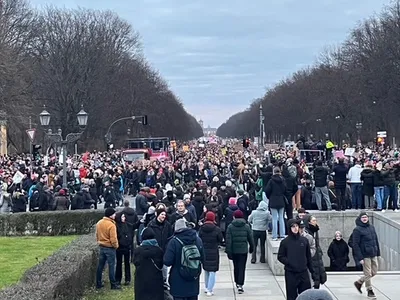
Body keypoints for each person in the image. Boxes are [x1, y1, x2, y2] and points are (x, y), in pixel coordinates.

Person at [164, 218, 204, 300]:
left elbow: (167, 261)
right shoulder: (197, 240)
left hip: (178, 281)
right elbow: (203, 257)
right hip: (193, 279)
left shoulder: (174, 242)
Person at [278, 219, 314, 300]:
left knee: (306, 295)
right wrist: (289, 262)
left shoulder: (304, 240)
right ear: (289, 228)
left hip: (303, 272)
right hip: (291, 273)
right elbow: (280, 256)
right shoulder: (285, 242)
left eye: (297, 226)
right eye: (293, 227)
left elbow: (308, 257)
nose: (295, 228)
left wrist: (312, 271)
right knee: (291, 296)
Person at [225, 210, 254, 294]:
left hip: (234, 250)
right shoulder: (246, 226)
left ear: (234, 216)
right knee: (242, 267)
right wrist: (252, 247)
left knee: (236, 267)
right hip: (243, 250)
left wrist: (228, 251)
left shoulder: (230, 226)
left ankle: (237, 281)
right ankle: (240, 284)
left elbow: (228, 240)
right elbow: (250, 238)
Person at [352, 211, 380, 299]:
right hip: (365, 254)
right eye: (363, 217)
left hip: (373, 253)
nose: (364, 219)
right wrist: (360, 257)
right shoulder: (357, 230)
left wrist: (378, 252)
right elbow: (355, 244)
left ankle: (359, 282)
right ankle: (369, 290)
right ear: (360, 219)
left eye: (366, 217)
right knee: (367, 273)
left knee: (374, 272)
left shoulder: (372, 227)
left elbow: (375, 240)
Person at [133, 227, 165, 300]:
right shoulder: (158, 250)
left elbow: (135, 263)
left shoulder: (138, 251)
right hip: (156, 281)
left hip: (141, 281)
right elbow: (161, 264)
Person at [198, 211, 223, 296]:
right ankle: (210, 289)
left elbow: (198, 239)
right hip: (213, 251)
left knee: (206, 270)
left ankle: (206, 287)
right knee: (213, 271)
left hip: (204, 251)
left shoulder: (201, 228)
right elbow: (220, 239)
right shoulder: (216, 229)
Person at [95, 207, 121, 290]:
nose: (115, 215)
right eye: (114, 214)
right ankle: (113, 284)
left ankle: (98, 283)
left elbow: (97, 234)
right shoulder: (111, 225)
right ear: (110, 215)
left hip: (102, 246)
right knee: (112, 266)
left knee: (100, 266)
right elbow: (113, 239)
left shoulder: (99, 223)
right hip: (110, 248)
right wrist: (116, 246)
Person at [115, 213, 132, 286]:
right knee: (119, 263)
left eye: (124, 216)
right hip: (119, 247)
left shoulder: (127, 224)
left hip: (126, 246)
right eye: (122, 217)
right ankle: (118, 279)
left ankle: (127, 279)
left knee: (127, 263)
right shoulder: (116, 226)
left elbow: (133, 226)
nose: (124, 218)